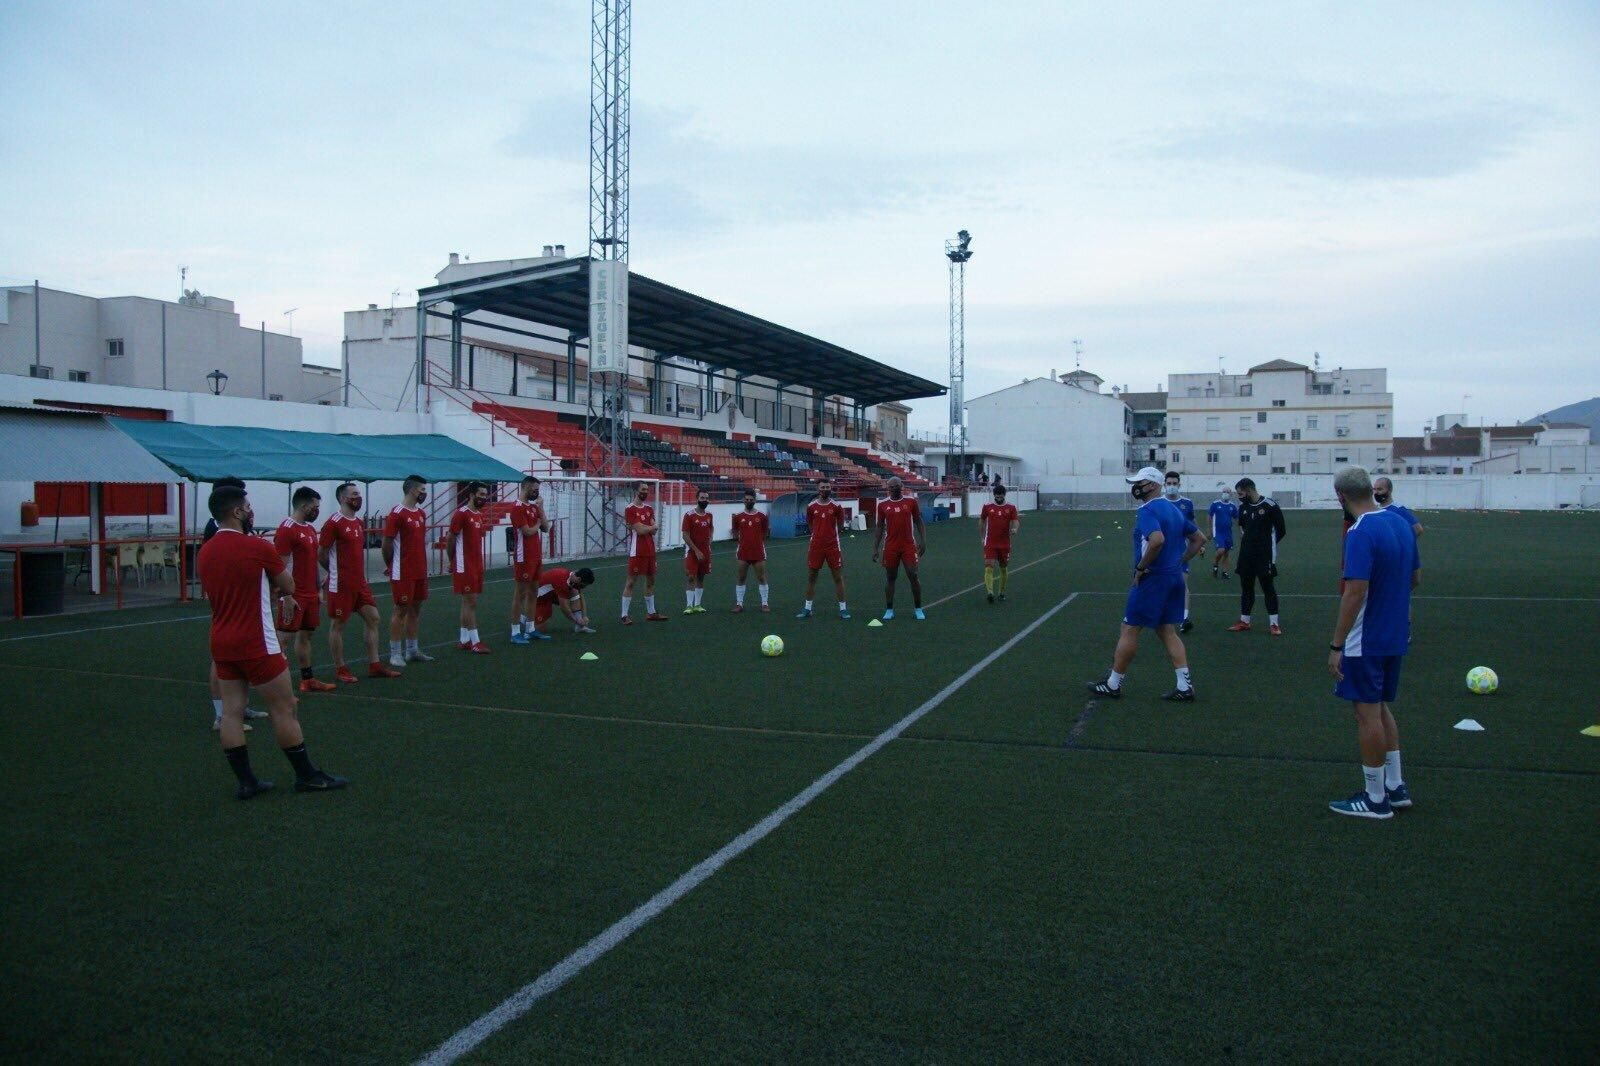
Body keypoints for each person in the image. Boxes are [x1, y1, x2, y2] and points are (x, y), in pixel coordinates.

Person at [197, 484, 347, 799]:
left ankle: (247, 782)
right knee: (285, 707)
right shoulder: (257, 546)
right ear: (237, 512)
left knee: (231, 712)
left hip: (221, 641)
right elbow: (288, 583)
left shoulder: (205, 551)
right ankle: (306, 775)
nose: (251, 511)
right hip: (256, 640)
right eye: (248, 507)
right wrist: (274, 586)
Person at [1327, 466, 1418, 819]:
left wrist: (1336, 646)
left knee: (1366, 713)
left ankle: (1375, 798)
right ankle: (1395, 786)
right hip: (1394, 633)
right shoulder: (1400, 523)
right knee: (1380, 708)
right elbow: (1415, 578)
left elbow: (1354, 591)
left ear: (1341, 496)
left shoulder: (1360, 531)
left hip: (1365, 639)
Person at [1088, 467, 1206, 701]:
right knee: (1166, 630)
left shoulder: (1148, 510)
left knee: (1129, 628)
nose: (1136, 487)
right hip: (1173, 577)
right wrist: (1180, 561)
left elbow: (1156, 541)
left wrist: (1142, 568)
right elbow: (1199, 539)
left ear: (1151, 485)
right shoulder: (1173, 510)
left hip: (1153, 579)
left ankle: (1113, 684)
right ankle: (1184, 686)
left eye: (1139, 482)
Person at [202, 476, 267, 732]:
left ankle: (240, 706)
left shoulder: (239, 527)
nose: (247, 506)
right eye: (242, 498)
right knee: (221, 659)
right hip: (227, 602)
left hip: (244, 600)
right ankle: (221, 715)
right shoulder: (214, 529)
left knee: (239, 656)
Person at [320, 482, 401, 682]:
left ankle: (374, 665)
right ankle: (340, 668)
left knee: (373, 618)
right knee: (338, 625)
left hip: (360, 583)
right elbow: (321, 553)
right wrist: (333, 572)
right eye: (354, 494)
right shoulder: (333, 523)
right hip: (340, 584)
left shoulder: (358, 522)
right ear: (342, 498)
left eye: (359, 494)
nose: (358, 497)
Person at [273, 486, 336, 693]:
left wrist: (318, 589)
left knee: (306, 636)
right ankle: (278, 689)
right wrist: (286, 595)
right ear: (303, 505)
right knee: (283, 640)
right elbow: (279, 566)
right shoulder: (286, 529)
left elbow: (312, 562)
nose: (317, 511)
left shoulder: (309, 529)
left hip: (310, 593)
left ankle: (307, 680)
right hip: (293, 595)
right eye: (315, 507)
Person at [382, 474, 435, 667]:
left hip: (420, 570)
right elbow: (387, 544)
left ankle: (412, 650)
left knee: (416, 610)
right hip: (402, 571)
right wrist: (392, 565)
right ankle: (395, 653)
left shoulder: (421, 513)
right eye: (422, 490)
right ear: (412, 490)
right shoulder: (397, 513)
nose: (424, 494)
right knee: (400, 610)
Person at [1228, 477, 1287, 636]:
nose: (1239, 496)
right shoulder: (1243, 508)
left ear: (1249, 490)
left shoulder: (1270, 506)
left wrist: (1266, 545)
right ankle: (1244, 621)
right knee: (1246, 588)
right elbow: (1242, 528)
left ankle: (1274, 624)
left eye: (1240, 493)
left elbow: (1281, 530)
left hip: (1264, 556)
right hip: (1246, 555)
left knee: (1268, 588)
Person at [447, 481, 494, 654]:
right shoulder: (461, 514)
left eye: (485, 494)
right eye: (480, 494)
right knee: (470, 602)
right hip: (464, 565)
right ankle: (475, 641)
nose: (483, 497)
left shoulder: (478, 515)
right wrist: (452, 560)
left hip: (476, 564)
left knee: (467, 602)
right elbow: (451, 538)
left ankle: (464, 639)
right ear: (471, 495)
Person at [873, 477, 926, 620]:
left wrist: (923, 540)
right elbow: (879, 526)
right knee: (890, 577)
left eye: (896, 486)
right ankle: (889, 610)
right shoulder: (883, 505)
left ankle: (918, 608)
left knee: (913, 575)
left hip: (908, 545)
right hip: (890, 546)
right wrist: (875, 548)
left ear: (901, 486)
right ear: (888, 488)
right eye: (891, 487)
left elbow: (918, 521)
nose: (894, 488)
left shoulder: (911, 502)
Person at [796, 478, 850, 619]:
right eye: (823, 487)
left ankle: (843, 609)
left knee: (837, 577)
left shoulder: (836, 506)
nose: (825, 489)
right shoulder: (811, 506)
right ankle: (807, 609)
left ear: (830, 488)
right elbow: (809, 524)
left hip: (833, 546)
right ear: (818, 489)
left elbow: (840, 526)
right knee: (812, 577)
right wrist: (817, 535)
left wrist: (831, 536)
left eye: (827, 486)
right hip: (816, 546)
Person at [508, 476, 551, 645]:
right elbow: (527, 531)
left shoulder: (534, 507)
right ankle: (515, 631)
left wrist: (541, 510)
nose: (537, 493)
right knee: (520, 594)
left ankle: (531, 629)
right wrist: (537, 524)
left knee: (534, 591)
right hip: (523, 556)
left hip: (535, 555)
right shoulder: (517, 508)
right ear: (525, 488)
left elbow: (545, 528)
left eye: (538, 490)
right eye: (534, 490)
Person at [621, 481, 668, 623]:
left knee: (651, 581)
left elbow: (654, 530)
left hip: (650, 551)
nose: (646, 492)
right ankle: (624, 615)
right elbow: (641, 530)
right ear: (636, 491)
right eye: (643, 489)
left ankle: (651, 613)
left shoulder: (649, 508)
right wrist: (649, 527)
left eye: (647, 489)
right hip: (637, 551)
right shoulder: (630, 509)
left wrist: (646, 527)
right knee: (631, 582)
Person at [1163, 471, 1201, 632]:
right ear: (1164, 485)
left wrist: (1199, 542)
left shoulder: (1187, 503)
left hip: (1180, 549)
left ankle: (1184, 618)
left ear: (1179, 485)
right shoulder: (1159, 503)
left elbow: (1192, 523)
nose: (1172, 486)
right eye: (1169, 483)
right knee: (1164, 585)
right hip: (1161, 551)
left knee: (1182, 584)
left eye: (1174, 483)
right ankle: (1164, 617)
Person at [730, 488, 771, 613]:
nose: (748, 501)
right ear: (743, 500)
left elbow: (765, 532)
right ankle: (739, 604)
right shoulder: (738, 516)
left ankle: (764, 603)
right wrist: (742, 541)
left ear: (755, 500)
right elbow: (735, 532)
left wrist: (757, 541)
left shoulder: (762, 516)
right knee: (741, 577)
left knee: (761, 577)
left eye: (751, 500)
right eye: (746, 500)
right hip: (743, 552)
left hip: (758, 551)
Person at [979, 484, 1019, 604]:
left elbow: (1016, 521)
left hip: (1004, 543)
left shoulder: (1011, 507)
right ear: (994, 496)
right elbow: (981, 521)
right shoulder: (987, 507)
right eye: (997, 496)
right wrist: (982, 537)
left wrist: (1015, 529)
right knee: (989, 565)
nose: (999, 498)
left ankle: (1001, 592)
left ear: (1004, 495)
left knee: (1003, 567)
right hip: (990, 542)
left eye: (1001, 496)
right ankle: (990, 592)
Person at [531, 566, 597, 636]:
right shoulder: (563, 582)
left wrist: (584, 616)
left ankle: (580, 627)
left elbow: (581, 597)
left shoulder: (572, 579)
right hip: (538, 597)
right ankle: (521, 618)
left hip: (551, 593)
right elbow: (564, 608)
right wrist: (576, 621)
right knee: (540, 629)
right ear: (579, 579)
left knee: (574, 592)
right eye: (583, 585)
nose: (584, 587)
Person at [679, 490, 715, 614]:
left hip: (705, 551)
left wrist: (710, 538)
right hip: (692, 551)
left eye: (706, 498)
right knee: (691, 577)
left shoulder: (709, 515)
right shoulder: (689, 515)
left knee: (701, 577)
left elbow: (711, 528)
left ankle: (698, 605)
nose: (704, 500)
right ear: (697, 498)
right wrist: (696, 550)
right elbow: (685, 535)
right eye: (702, 497)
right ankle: (689, 606)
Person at [1208, 488, 1238, 579]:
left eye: (1227, 492)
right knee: (1221, 550)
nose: (1225, 494)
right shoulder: (1215, 504)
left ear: (1231, 494)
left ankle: (1224, 573)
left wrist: (1242, 529)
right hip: (1218, 532)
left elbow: (1237, 518)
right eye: (1224, 492)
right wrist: (1209, 530)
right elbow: (1209, 516)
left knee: (1226, 553)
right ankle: (1216, 564)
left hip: (1228, 532)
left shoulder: (1232, 506)